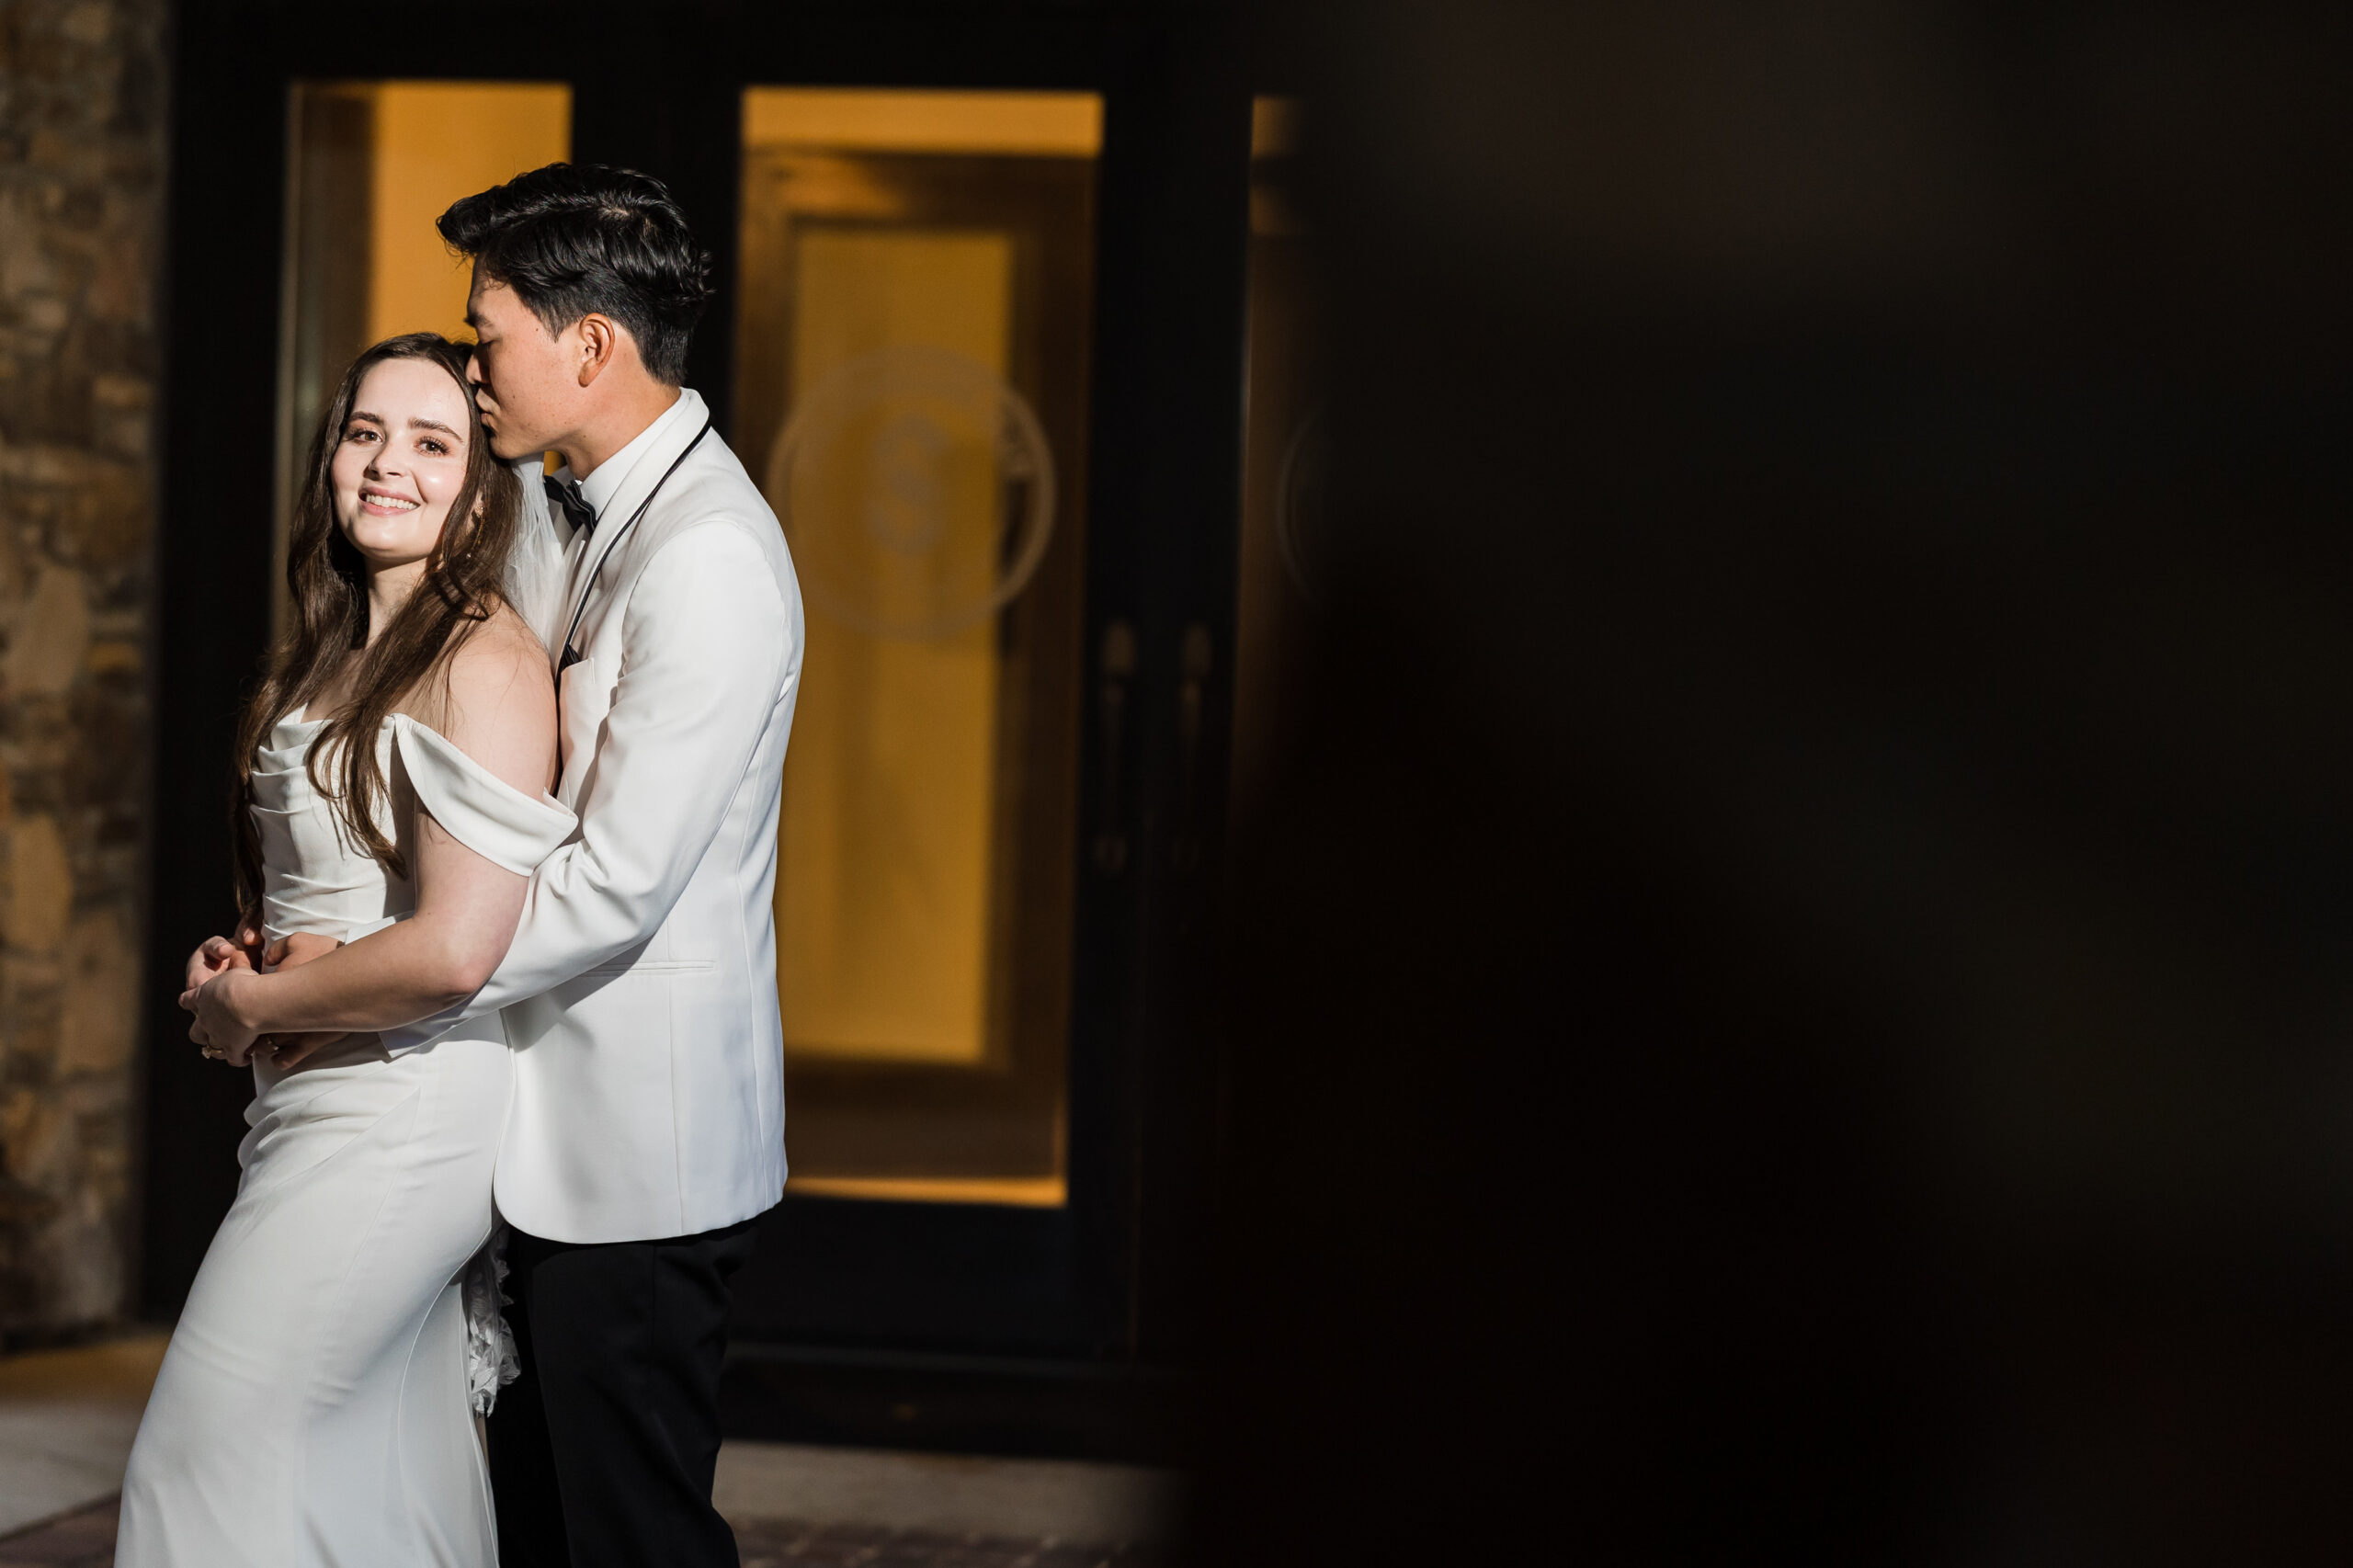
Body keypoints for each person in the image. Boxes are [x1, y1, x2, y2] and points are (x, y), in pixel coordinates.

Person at [165, 164, 804, 1568]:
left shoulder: (711, 556)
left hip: (643, 1149)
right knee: (529, 1517)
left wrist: (361, 975)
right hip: (533, 1122)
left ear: (589, 345)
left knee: (630, 1531)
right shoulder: (580, 516)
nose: (474, 363)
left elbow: (615, 880)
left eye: (489, 331)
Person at [119, 331, 574, 1565]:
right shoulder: (319, 659)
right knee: (374, 1488)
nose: (389, 464)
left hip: (404, 1109)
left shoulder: (479, 658)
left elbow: (453, 950)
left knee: (195, 1462)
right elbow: (322, 889)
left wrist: (262, 1006)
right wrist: (243, 961)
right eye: (367, 432)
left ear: (482, 490)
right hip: (308, 1103)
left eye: (433, 443)